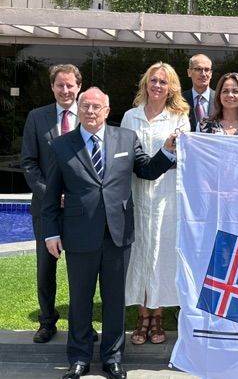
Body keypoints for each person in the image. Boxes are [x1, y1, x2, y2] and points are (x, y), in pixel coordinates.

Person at [41, 87, 177, 379]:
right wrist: (51, 233)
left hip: (118, 234)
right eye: (86, 106)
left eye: (97, 107)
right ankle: (78, 358)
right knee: (80, 299)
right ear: (79, 109)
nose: (91, 112)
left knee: (114, 301)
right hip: (79, 235)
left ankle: (113, 358)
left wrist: (167, 150)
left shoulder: (125, 137)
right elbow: (50, 196)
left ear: (107, 109)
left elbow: (148, 170)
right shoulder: (62, 145)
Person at [121, 62, 190, 346]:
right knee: (140, 249)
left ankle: (158, 314)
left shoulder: (180, 117)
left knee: (162, 251)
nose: (158, 86)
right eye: (153, 80)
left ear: (171, 86)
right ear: (145, 84)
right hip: (138, 191)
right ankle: (142, 314)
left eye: (163, 81)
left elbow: (184, 157)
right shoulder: (130, 116)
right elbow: (125, 156)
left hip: (167, 194)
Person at [20, 64, 82, 344]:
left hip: (80, 209)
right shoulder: (37, 117)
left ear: (78, 87)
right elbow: (29, 163)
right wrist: (50, 193)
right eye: (60, 85)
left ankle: (82, 323)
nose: (65, 90)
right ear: (52, 87)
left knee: (81, 269)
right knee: (46, 267)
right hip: (47, 208)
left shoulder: (91, 115)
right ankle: (47, 322)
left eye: (70, 85)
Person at [182, 53, 214, 132]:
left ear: (211, 73)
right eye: (198, 69)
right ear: (189, 72)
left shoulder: (220, 99)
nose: (203, 74)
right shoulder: (180, 99)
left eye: (207, 69)